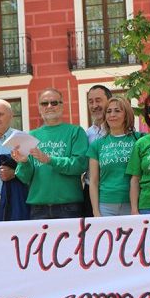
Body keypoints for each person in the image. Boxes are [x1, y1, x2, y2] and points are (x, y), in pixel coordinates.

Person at [12, 88, 89, 219]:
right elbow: (24, 177)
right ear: (39, 107)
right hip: (38, 207)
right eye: (44, 103)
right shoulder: (30, 135)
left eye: (54, 103)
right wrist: (23, 162)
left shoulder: (75, 131)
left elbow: (80, 165)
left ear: (62, 105)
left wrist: (49, 160)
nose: (49, 106)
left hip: (68, 207)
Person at [87, 96, 141, 217]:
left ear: (126, 114)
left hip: (133, 204)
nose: (112, 114)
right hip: (106, 205)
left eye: (117, 110)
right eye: (109, 111)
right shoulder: (97, 144)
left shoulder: (139, 139)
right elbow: (94, 181)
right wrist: (96, 212)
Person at [82, 85, 113, 217]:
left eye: (98, 100)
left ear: (109, 101)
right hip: (90, 193)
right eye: (91, 101)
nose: (94, 105)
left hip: (116, 192)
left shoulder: (124, 133)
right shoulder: (85, 135)